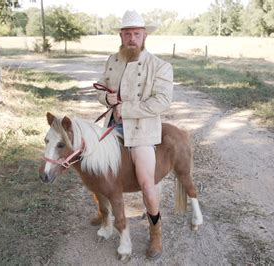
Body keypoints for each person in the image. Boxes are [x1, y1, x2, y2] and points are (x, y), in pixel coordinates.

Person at [95, 10, 173, 260]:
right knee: (92, 166)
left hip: (141, 131)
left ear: (144, 35)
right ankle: (105, 216)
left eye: (136, 34)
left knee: (146, 182)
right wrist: (106, 98)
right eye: (127, 33)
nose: (131, 38)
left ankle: (156, 232)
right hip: (111, 127)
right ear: (121, 35)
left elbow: (162, 102)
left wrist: (124, 108)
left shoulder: (160, 66)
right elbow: (100, 88)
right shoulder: (113, 60)